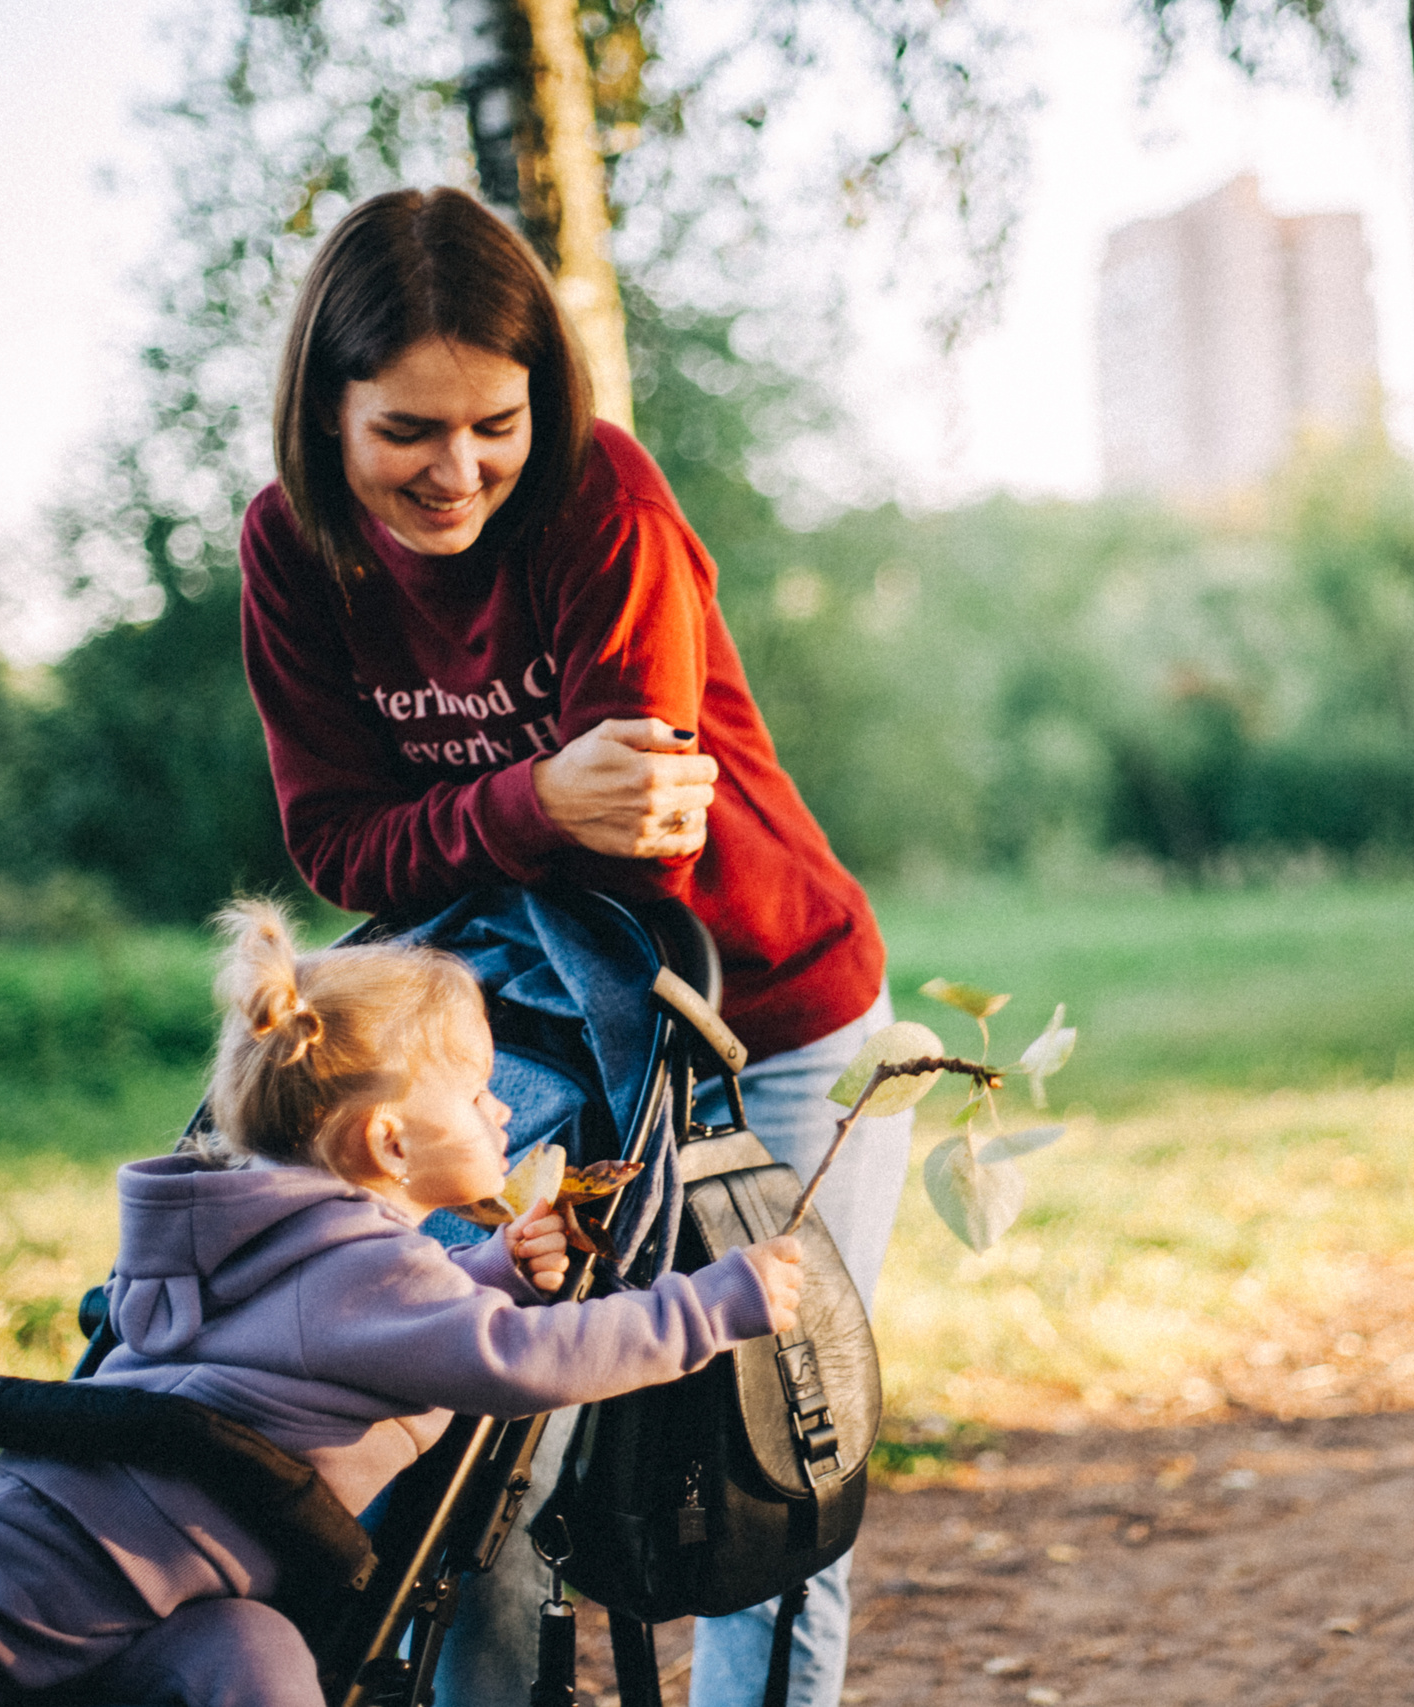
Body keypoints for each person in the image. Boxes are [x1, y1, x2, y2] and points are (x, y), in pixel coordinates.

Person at [238, 185, 911, 1707]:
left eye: (494, 421)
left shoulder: (599, 497)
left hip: (773, 1012)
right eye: (407, 429)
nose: (457, 468)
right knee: (488, 1455)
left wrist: (477, 816)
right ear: (326, 412)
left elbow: (654, 844)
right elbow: (338, 844)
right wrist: (537, 792)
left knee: (769, 1458)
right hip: (510, 1056)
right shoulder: (293, 552)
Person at [0, 901, 803, 1707]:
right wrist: (713, 1303)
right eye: (475, 1093)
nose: (503, 1111)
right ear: (387, 1145)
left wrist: (492, 1270)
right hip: (1, 1596)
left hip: (131, 1592)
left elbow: (316, 1338)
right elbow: (520, 1363)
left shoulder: (259, 1235)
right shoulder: (361, 1272)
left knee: (254, 1654)